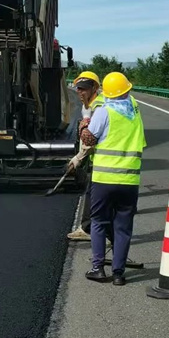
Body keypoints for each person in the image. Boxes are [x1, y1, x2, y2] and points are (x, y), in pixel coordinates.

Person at [80, 71, 146, 286]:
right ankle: (119, 273)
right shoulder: (135, 112)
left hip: (104, 180)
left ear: (105, 92)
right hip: (129, 181)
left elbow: (90, 138)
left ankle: (98, 268)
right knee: (123, 227)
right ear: (127, 90)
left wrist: (83, 126)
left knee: (99, 222)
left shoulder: (104, 112)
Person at [66, 72, 104, 241]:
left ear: (95, 88)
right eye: (78, 89)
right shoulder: (88, 106)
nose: (80, 92)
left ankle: (92, 230)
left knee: (95, 194)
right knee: (92, 193)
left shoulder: (98, 107)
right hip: (101, 159)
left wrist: (78, 159)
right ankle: (90, 228)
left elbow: (89, 139)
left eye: (84, 89)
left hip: (106, 161)